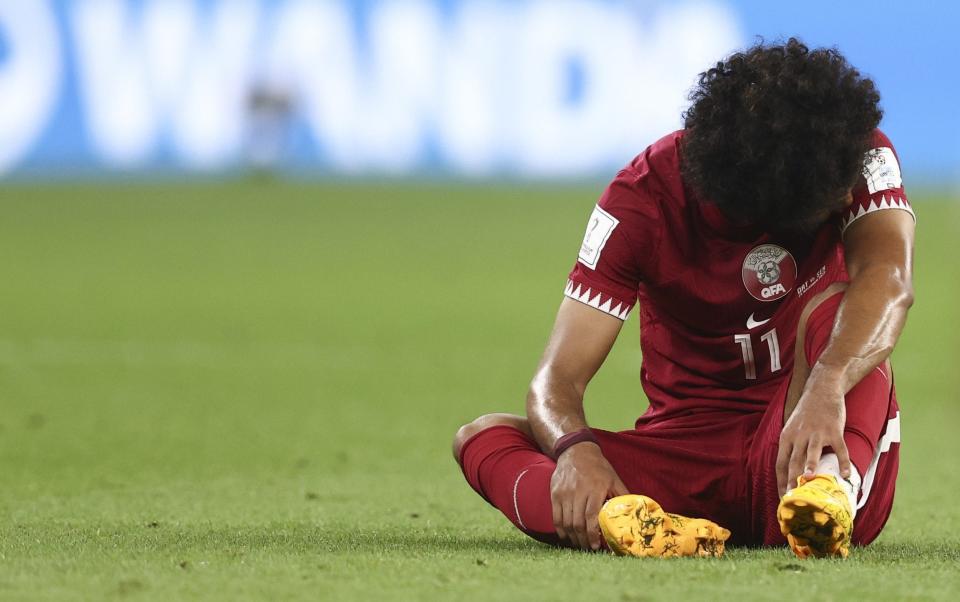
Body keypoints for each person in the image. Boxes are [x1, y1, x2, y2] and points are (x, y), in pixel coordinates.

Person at [452, 38, 913, 559]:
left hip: (807, 434)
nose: (844, 198)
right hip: (680, 461)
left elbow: (890, 279)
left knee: (847, 309)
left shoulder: (851, 151)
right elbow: (554, 382)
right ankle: (634, 524)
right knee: (484, 437)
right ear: (765, 212)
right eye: (826, 201)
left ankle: (825, 496)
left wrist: (826, 386)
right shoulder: (640, 201)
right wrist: (574, 450)